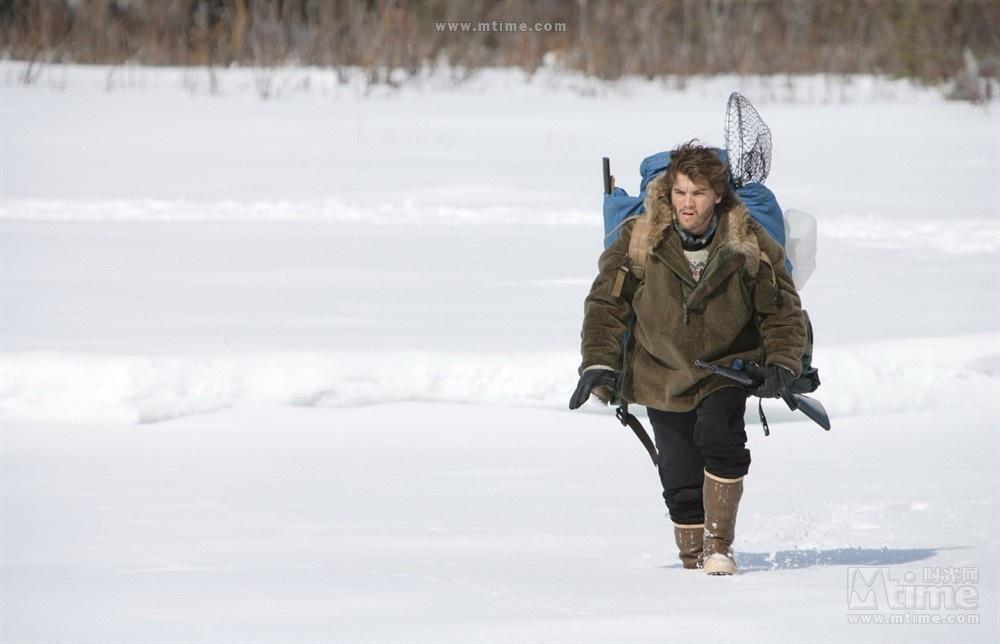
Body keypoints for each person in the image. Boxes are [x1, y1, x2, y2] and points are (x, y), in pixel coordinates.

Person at [569, 142, 806, 575]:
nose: (687, 203)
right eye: (679, 193)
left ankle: (719, 548)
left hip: (726, 367)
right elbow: (606, 304)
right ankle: (691, 563)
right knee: (678, 476)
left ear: (718, 195)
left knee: (721, 437)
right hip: (661, 371)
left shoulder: (747, 239)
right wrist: (598, 363)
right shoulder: (638, 238)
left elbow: (782, 310)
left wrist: (784, 363)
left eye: (697, 193)